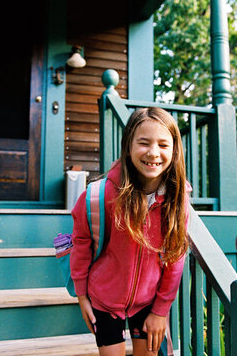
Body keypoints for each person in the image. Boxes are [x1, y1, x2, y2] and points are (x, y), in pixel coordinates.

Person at [70, 107, 191, 356]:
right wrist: (82, 295)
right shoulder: (98, 196)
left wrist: (161, 310)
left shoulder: (176, 200)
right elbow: (80, 243)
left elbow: (175, 258)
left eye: (163, 144)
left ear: (175, 150)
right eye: (144, 143)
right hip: (102, 301)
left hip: (149, 304)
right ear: (128, 146)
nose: (153, 153)